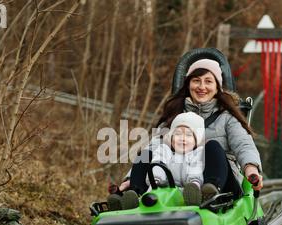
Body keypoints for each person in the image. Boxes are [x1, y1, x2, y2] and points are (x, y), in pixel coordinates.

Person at [114, 57, 263, 209]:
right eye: (196, 80)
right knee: (148, 151)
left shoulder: (227, 117)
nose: (202, 86)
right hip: (175, 178)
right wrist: (131, 178)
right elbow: (154, 148)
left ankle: (209, 192)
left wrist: (251, 168)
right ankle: (134, 193)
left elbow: (243, 144)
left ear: (218, 87)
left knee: (212, 145)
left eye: (208, 81)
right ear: (188, 84)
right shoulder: (175, 115)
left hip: (219, 179)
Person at [108, 111, 206, 210]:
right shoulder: (164, 150)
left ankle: (192, 199)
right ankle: (134, 202)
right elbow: (158, 162)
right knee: (153, 193)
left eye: (189, 135)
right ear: (171, 137)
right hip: (160, 188)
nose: (182, 138)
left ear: (196, 140)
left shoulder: (198, 153)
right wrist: (155, 180)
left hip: (183, 193)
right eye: (178, 134)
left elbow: (195, 170)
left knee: (179, 196)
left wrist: (194, 184)